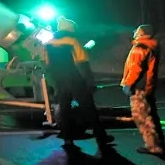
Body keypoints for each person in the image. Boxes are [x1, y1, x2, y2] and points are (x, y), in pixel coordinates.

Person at [43, 16, 114, 149]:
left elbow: (48, 64)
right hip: (75, 80)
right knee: (89, 109)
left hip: (60, 81)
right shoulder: (73, 41)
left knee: (64, 110)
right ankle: (101, 137)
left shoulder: (48, 43)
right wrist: (90, 82)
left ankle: (67, 139)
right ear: (70, 29)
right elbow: (82, 63)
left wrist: (54, 82)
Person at [121, 24, 165, 155]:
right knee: (151, 115)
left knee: (142, 117)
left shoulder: (140, 47)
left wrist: (128, 84)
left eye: (137, 29)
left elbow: (136, 68)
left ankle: (153, 147)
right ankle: (158, 143)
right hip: (147, 86)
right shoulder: (151, 45)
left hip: (139, 88)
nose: (134, 31)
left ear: (142, 33)